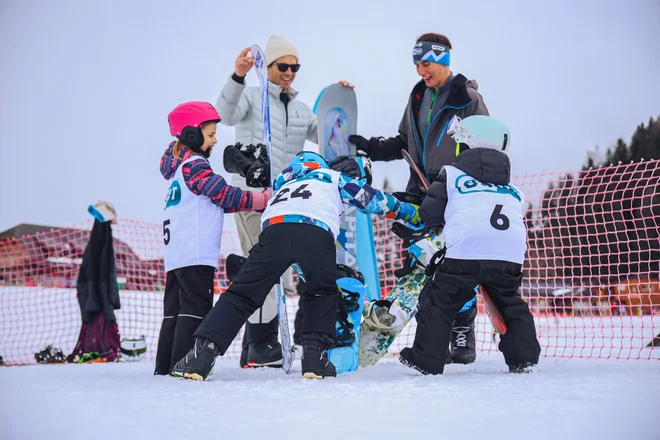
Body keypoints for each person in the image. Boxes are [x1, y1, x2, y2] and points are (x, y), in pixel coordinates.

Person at [171, 151, 423, 381]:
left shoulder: (283, 183)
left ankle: (200, 356)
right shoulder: (332, 177)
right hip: (316, 230)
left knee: (241, 295)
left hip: (274, 230)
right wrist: (410, 212)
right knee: (321, 292)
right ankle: (315, 359)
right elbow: (371, 199)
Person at [349, 32, 489, 364]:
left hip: (456, 193)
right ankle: (433, 338)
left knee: (455, 266)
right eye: (416, 65)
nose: (420, 71)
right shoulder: (417, 96)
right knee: (421, 265)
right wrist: (370, 146)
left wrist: (466, 179)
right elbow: (403, 140)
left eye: (425, 64)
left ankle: (462, 331)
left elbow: (483, 145)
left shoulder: (466, 98)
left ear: (442, 60)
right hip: (421, 194)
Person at [216, 34, 353, 368]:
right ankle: (260, 343)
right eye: (283, 66)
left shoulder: (301, 108)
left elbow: (324, 137)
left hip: (286, 199)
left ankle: (258, 345)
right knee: (259, 267)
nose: (290, 72)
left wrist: (339, 107)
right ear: (270, 66)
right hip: (251, 194)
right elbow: (225, 115)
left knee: (279, 272)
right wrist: (238, 76)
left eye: (295, 66)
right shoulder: (252, 96)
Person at [399, 115, 541, 375]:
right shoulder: (512, 190)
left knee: (441, 300)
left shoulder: (451, 175)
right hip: (509, 255)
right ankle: (524, 356)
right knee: (510, 301)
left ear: (465, 146)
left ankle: (426, 359)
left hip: (466, 253)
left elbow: (429, 216)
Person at [154, 101, 271, 376]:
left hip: (177, 256)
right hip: (196, 253)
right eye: (210, 134)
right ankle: (184, 364)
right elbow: (225, 196)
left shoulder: (177, 171)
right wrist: (262, 200)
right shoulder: (195, 167)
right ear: (192, 135)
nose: (215, 139)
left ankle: (166, 366)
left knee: (175, 311)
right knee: (196, 309)